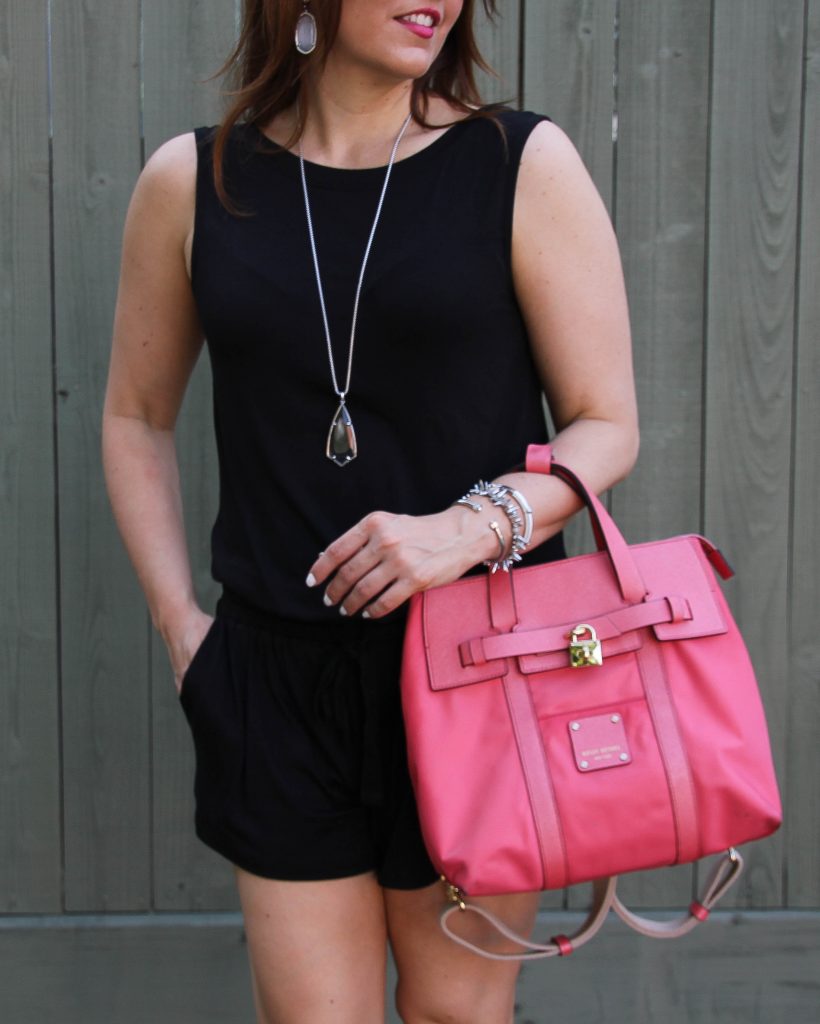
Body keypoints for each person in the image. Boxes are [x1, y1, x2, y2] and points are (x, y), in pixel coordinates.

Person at [102, 1, 638, 1020]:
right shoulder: (197, 180)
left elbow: (605, 425)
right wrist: (184, 629)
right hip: (274, 681)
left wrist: (470, 527)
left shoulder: (518, 163)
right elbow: (134, 416)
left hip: (479, 668)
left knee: (456, 1014)